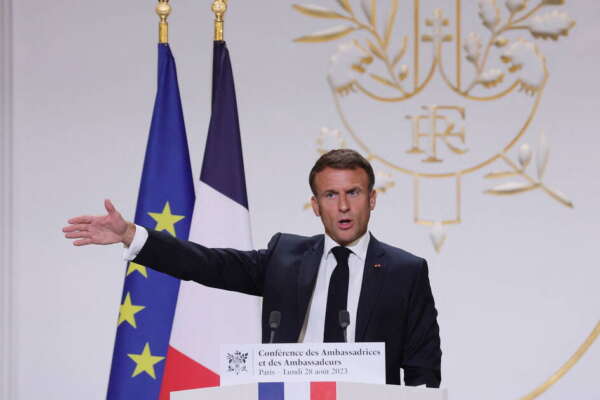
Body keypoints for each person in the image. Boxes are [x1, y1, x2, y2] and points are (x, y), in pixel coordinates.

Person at [63, 149, 441, 387]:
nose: (343, 206)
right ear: (315, 205)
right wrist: (132, 234)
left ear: (372, 199)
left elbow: (423, 367)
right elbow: (209, 264)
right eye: (331, 195)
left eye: (353, 193)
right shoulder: (285, 257)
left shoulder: (404, 271)